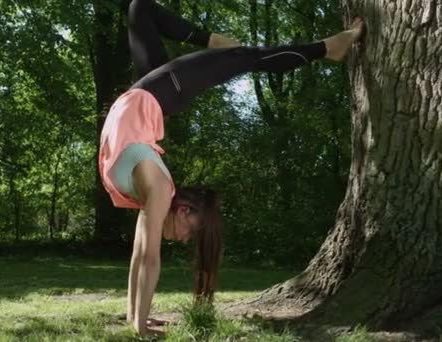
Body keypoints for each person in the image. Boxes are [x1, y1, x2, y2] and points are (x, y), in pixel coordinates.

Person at [98, 0, 365, 336]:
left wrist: (137, 319)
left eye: (190, 235)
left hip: (144, 98)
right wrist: (139, 325)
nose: (183, 239)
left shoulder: (153, 190)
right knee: (245, 57)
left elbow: (141, 257)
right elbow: (147, 259)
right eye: (191, 232)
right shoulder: (159, 189)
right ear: (183, 210)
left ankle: (321, 47)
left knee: (141, 10)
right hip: (152, 97)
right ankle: (327, 47)